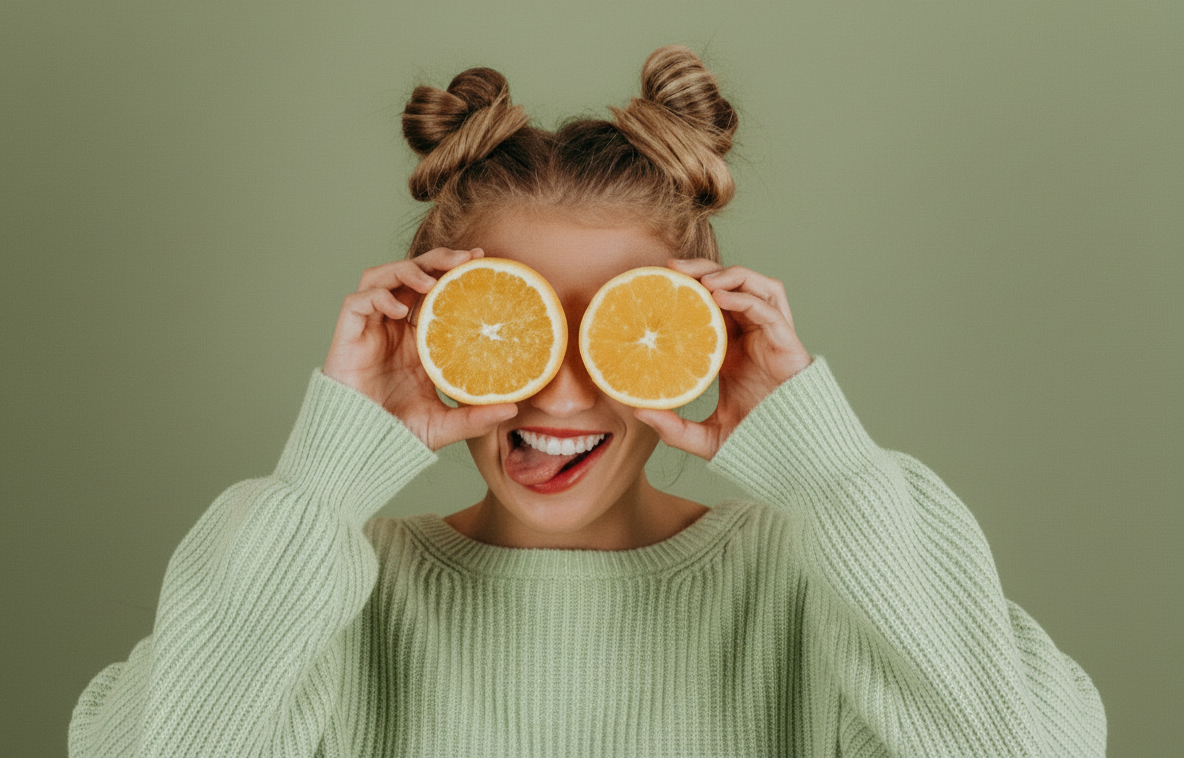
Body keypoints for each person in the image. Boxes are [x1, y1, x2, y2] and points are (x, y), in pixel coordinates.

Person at [69, 46, 1106, 757]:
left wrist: (830, 471)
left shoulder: (818, 580)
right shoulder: (330, 589)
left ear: (699, 338)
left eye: (618, 329)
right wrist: (320, 479)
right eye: (510, 323)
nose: (561, 386)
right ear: (431, 333)